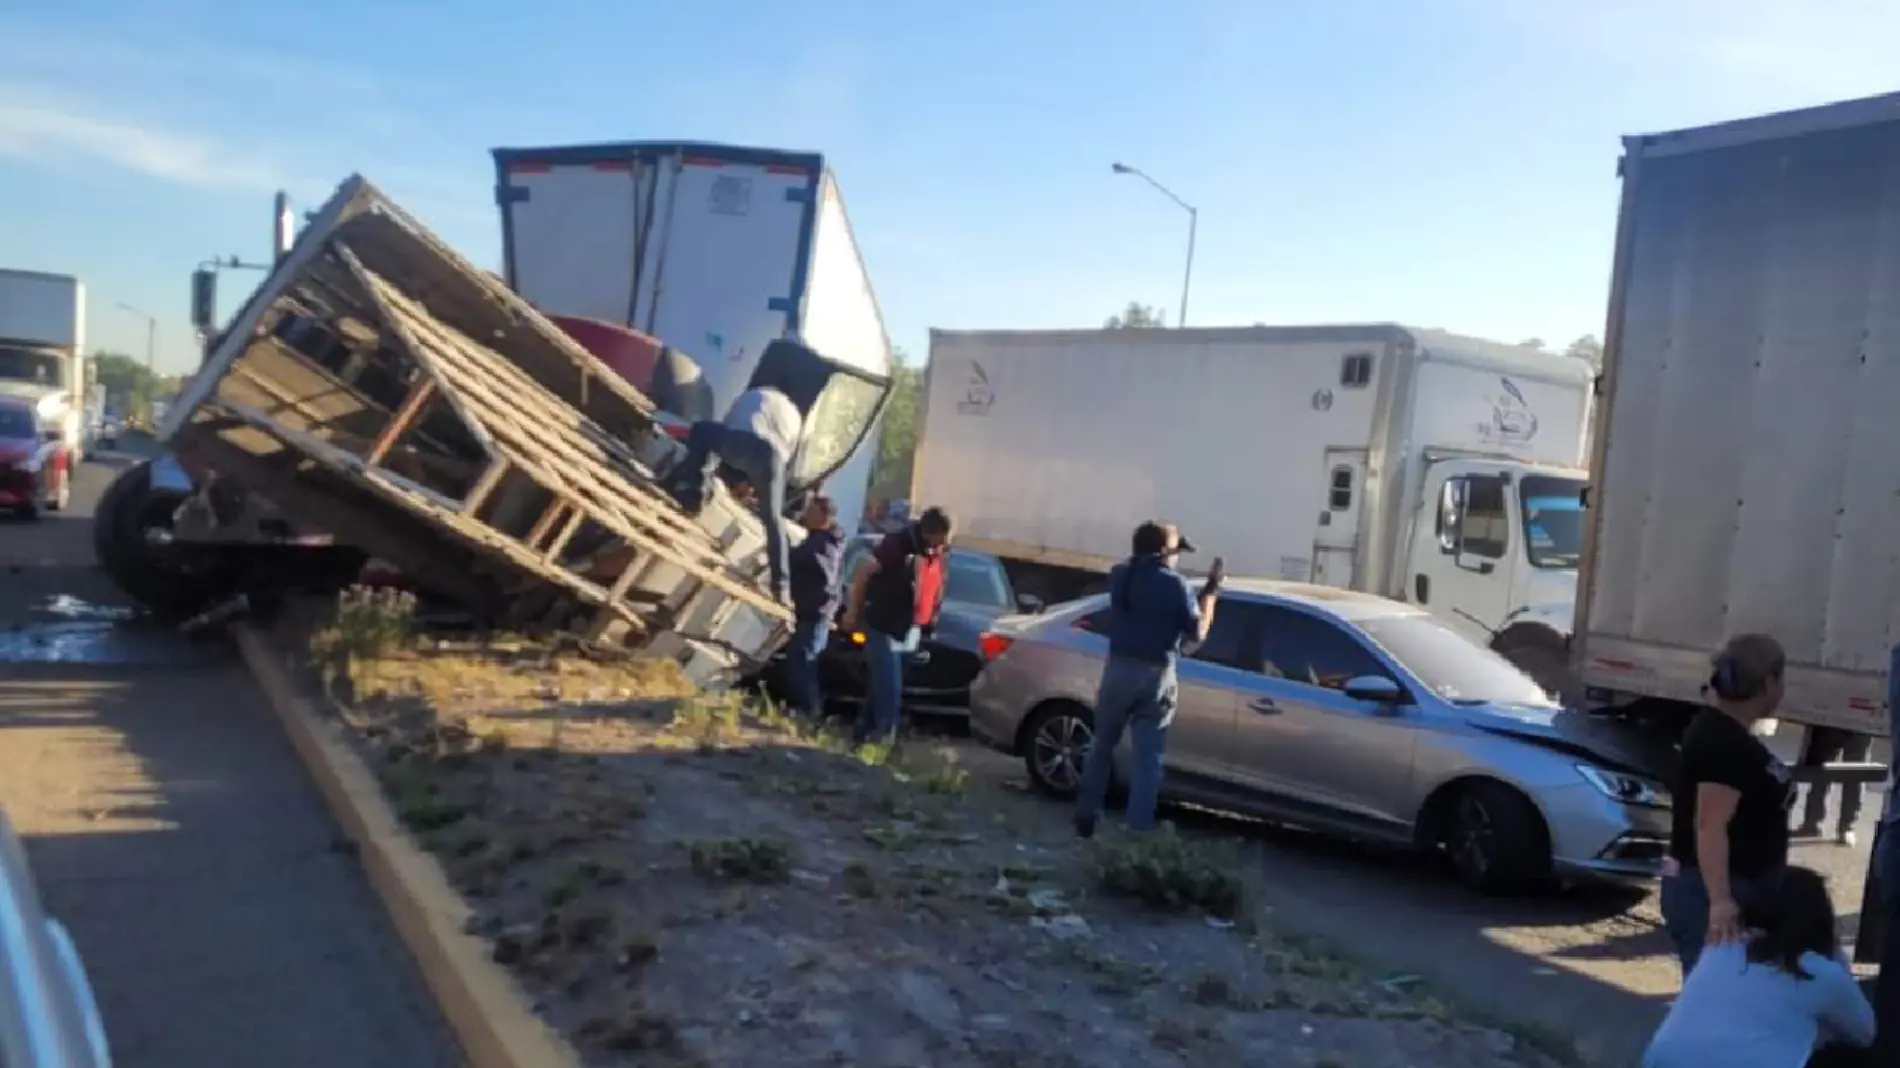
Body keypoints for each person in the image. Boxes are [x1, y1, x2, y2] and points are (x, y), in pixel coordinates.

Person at [1072, 521, 1222, 839]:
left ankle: (1086, 816)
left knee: (1101, 746)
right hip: (1156, 674)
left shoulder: (1120, 576)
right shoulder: (1175, 585)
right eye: (1175, 550)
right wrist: (1209, 596)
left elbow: (1137, 583)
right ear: (1163, 551)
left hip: (1118, 669)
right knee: (1148, 758)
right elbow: (1197, 633)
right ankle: (1137, 831)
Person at [1642, 865, 1875, 1068]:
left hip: (1661, 1061)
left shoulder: (1723, 944)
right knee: (1850, 1059)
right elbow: (1865, 1033)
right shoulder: (1818, 972)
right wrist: (1835, 953)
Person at [1661, 633, 1797, 976]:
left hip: (1735, 886)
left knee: (1728, 999)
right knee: (1715, 1002)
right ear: (1769, 683)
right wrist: (1720, 901)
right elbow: (1710, 824)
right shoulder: (1722, 741)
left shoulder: (1728, 732)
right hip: (1712, 891)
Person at [662, 383, 802, 602]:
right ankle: (781, 586)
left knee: (701, 431)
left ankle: (693, 491)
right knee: (773, 520)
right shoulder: (795, 417)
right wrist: (756, 483)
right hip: (772, 458)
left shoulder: (755, 394)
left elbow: (727, 429)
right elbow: (785, 457)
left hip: (740, 440)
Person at [841, 507, 954, 746]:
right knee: (889, 688)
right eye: (944, 536)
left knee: (881, 686)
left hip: (910, 628)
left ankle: (861, 736)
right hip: (884, 624)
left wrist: (929, 620)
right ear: (932, 533)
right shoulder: (897, 545)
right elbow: (863, 574)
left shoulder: (934, 553)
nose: (945, 542)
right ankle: (883, 741)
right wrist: (853, 612)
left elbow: (933, 587)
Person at [780, 494, 846, 716]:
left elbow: (823, 577)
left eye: (812, 512)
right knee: (798, 663)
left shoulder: (824, 545)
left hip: (816, 614)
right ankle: (804, 710)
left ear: (823, 517)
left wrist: (795, 558)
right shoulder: (820, 540)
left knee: (803, 664)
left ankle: (808, 712)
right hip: (810, 612)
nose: (806, 516)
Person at [1797, 726, 1875, 846]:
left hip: (1861, 719)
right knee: (1824, 768)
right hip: (1843, 716)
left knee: (1854, 771)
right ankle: (1813, 823)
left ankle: (1846, 827)